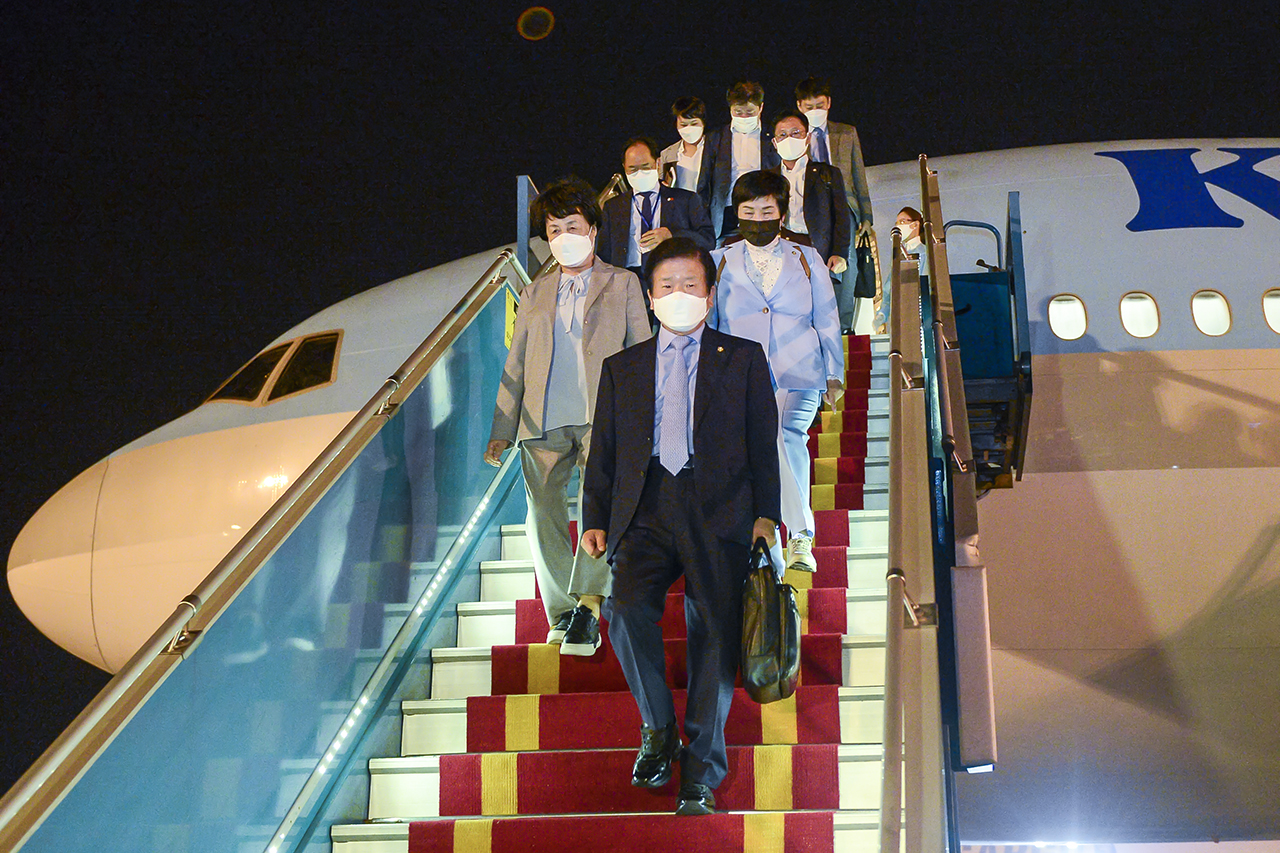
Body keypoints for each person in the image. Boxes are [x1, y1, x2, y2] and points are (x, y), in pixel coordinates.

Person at [580, 236, 780, 817]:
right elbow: (604, 450)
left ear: (710, 295)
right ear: (650, 296)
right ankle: (659, 728)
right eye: (666, 286)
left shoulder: (743, 357)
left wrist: (767, 515)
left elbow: (763, 443)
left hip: (718, 506)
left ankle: (701, 773)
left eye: (690, 285)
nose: (678, 295)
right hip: (644, 506)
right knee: (624, 611)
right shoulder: (622, 367)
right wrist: (594, 517)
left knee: (713, 633)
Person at [485, 178, 652, 656]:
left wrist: (642, 417)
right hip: (541, 418)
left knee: (597, 506)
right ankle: (560, 610)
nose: (563, 237)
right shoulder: (535, 291)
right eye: (554, 230)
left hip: (602, 415)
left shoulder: (622, 282)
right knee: (543, 515)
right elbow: (516, 361)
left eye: (572, 226)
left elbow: (641, 353)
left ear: (593, 230)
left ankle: (588, 606)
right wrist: (502, 428)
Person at [710, 170, 844, 573]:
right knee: (757, 451)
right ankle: (773, 545)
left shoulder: (806, 257)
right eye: (748, 211)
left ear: (782, 214)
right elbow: (711, 321)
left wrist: (834, 373)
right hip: (740, 373)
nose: (757, 219)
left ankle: (799, 536)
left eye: (766, 211)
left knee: (784, 436)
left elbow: (827, 316)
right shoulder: (719, 260)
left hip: (799, 366)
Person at [795, 75, 873, 332]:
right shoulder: (796, 136)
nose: (814, 111)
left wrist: (866, 214)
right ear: (799, 106)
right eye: (809, 107)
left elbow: (858, 174)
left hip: (844, 205)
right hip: (811, 206)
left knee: (846, 264)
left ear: (828, 103)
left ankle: (843, 325)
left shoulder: (846, 133)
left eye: (819, 105)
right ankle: (812, 324)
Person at [597, 137, 715, 276]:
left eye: (645, 167)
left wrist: (672, 235)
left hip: (671, 275)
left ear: (657, 163)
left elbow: (708, 240)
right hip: (628, 277)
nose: (640, 173)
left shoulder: (685, 200)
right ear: (624, 167)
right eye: (633, 169)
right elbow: (603, 253)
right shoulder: (613, 206)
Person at [767, 109, 852, 274]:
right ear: (775, 143)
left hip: (816, 250)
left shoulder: (827, 173)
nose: (789, 139)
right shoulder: (767, 178)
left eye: (795, 133)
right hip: (779, 251)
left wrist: (840, 253)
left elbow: (841, 217)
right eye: (782, 135)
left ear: (808, 138)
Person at [706, 80, 780, 242]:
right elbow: (705, 181)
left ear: (761, 108)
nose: (744, 117)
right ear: (730, 109)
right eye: (738, 112)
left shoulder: (771, 136)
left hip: (761, 210)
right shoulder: (716, 138)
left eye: (750, 112)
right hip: (725, 212)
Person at [873, 206, 927, 332]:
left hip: (920, 315)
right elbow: (890, 288)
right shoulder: (900, 255)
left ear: (915, 225)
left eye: (902, 222)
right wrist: (883, 313)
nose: (898, 226)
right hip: (902, 316)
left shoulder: (924, 253)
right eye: (896, 223)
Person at [658, 97, 713, 211]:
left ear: (703, 122)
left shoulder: (714, 149)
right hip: (679, 212)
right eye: (683, 125)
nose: (689, 129)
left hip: (708, 211)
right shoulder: (667, 154)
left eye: (694, 124)